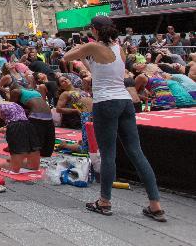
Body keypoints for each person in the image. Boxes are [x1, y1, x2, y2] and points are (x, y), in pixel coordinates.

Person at [64, 16, 164, 221]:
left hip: (106, 103)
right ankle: (155, 205)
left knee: (108, 154)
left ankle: (104, 202)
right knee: (136, 152)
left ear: (94, 30)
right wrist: (85, 56)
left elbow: (66, 56)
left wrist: (83, 47)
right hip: (125, 102)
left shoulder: (92, 47)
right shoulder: (120, 48)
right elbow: (100, 72)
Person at [0, 94, 41, 174]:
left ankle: (15, 159)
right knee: (15, 169)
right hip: (15, 128)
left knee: (34, 167)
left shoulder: (12, 102)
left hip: (28, 126)